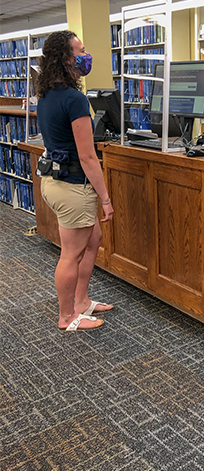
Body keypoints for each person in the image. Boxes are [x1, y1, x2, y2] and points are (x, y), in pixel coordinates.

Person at [37, 30, 114, 331]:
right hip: (73, 186)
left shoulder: (47, 94)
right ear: (65, 58)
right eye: (79, 51)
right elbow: (88, 157)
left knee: (92, 239)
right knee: (71, 255)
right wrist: (105, 199)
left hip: (54, 183)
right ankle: (67, 316)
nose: (85, 56)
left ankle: (81, 301)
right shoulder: (75, 99)